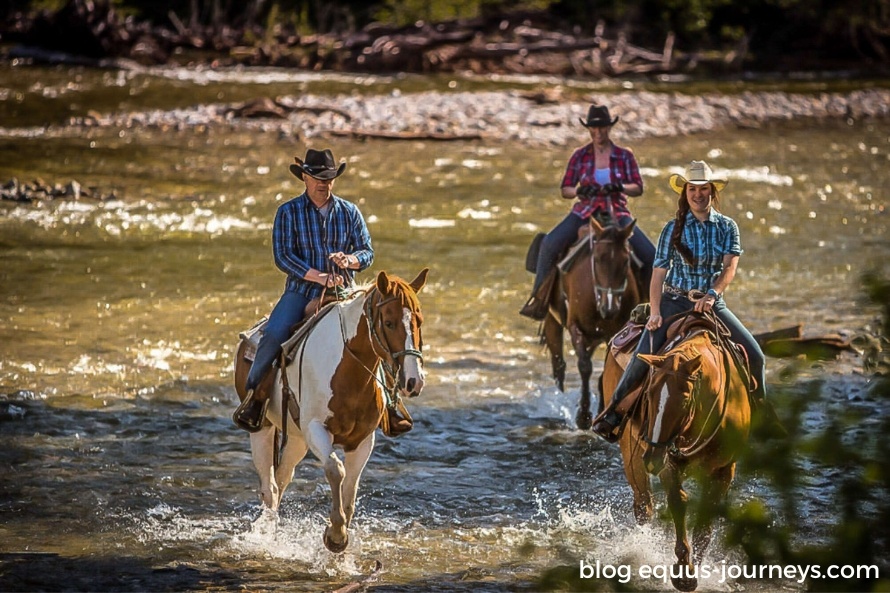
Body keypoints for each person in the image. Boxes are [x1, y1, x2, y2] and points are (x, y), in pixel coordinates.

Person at [591, 160, 770, 441]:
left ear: (712, 191)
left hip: (711, 303)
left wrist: (712, 295)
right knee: (641, 355)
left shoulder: (727, 227)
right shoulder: (671, 229)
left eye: (704, 189)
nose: (698, 194)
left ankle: (761, 416)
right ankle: (614, 411)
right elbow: (658, 274)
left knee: (755, 355)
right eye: (692, 189)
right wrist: (655, 312)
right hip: (675, 301)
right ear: (685, 193)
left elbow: (729, 269)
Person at [233, 147, 374, 433]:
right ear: (305, 178)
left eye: (329, 177)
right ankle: (255, 398)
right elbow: (283, 256)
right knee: (274, 333)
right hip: (300, 292)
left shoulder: (350, 212)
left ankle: (389, 404)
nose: (323, 183)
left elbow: (367, 252)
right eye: (317, 176)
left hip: (344, 292)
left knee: (378, 335)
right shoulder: (288, 212)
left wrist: (350, 260)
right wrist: (318, 277)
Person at [520, 103, 655, 320]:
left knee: (651, 255)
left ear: (609, 129)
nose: (599, 132)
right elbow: (566, 189)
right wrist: (580, 190)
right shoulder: (580, 156)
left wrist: (619, 187)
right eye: (595, 129)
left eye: (602, 128)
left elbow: (637, 187)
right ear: (589, 130)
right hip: (585, 211)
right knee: (549, 243)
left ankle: (652, 307)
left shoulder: (624, 155)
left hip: (617, 212)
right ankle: (539, 299)